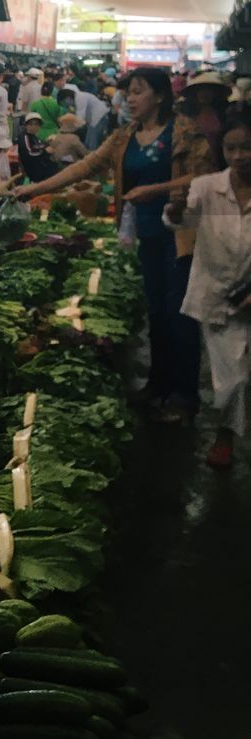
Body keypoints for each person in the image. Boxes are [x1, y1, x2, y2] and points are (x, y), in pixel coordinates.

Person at [19, 67, 213, 421]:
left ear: (159, 95)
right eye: (127, 93)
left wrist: (153, 190)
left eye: (137, 92)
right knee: (154, 310)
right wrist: (35, 188)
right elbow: (86, 167)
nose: (129, 99)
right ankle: (159, 383)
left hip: (182, 234)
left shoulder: (183, 131)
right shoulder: (125, 135)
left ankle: (184, 397)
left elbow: (205, 176)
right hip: (147, 236)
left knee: (179, 315)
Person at [164, 109, 251, 469]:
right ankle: (225, 436)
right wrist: (177, 207)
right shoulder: (206, 187)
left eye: (246, 148)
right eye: (231, 148)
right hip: (219, 296)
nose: (238, 156)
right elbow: (181, 220)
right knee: (233, 377)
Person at [180, 71, 231, 171]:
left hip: (218, 163)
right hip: (192, 164)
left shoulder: (223, 114)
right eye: (201, 90)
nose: (204, 94)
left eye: (208, 90)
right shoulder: (186, 113)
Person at [18, 111, 60, 183]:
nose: (36, 126)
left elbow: (39, 147)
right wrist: (46, 151)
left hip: (40, 166)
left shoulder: (34, 136)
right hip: (33, 169)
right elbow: (30, 153)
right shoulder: (25, 137)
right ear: (27, 125)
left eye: (38, 124)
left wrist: (47, 143)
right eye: (33, 124)